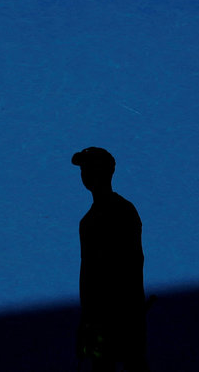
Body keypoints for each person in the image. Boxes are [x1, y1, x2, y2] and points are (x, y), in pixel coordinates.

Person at [71, 147, 148, 371]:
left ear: (105, 172)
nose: (85, 174)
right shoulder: (90, 220)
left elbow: (132, 264)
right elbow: (88, 274)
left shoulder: (121, 212)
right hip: (102, 320)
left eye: (89, 168)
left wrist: (127, 315)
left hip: (121, 317)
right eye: (84, 169)